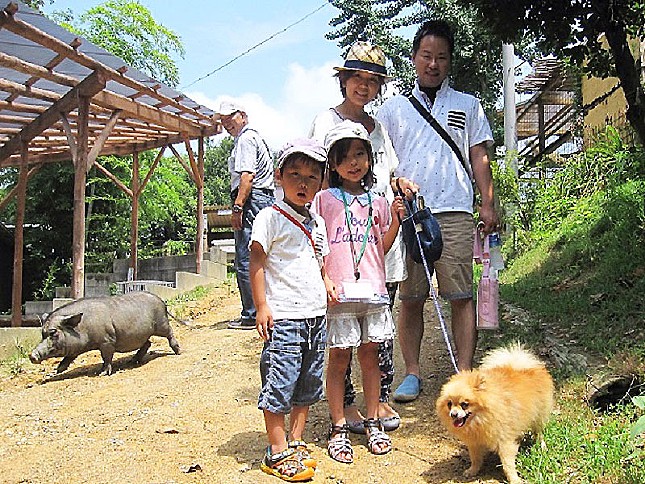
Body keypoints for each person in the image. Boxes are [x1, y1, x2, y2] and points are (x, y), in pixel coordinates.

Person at [377, 20, 498, 402]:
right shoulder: (392, 109)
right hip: (411, 214)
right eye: (426, 56)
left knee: (461, 296)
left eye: (441, 57)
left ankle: (463, 374)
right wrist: (395, 188)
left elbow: (479, 156)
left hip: (457, 211)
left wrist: (488, 202)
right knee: (411, 298)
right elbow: (383, 163)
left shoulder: (468, 104)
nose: (433, 64)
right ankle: (411, 373)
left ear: (449, 62)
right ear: (413, 59)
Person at [309, 41, 417, 433]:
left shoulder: (381, 129)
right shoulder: (325, 122)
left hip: (378, 239)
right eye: (357, 77)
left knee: (377, 328)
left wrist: (399, 182)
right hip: (340, 245)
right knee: (342, 336)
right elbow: (317, 181)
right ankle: (348, 406)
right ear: (344, 80)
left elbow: (387, 174)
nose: (364, 86)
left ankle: (380, 400)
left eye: (373, 81)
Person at [312, 120, 405, 464]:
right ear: (333, 165)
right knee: (338, 357)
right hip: (339, 296)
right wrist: (324, 279)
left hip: (372, 292)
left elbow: (381, 246)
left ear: (369, 159)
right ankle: (338, 426)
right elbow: (316, 244)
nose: (354, 162)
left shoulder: (377, 200)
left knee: (371, 358)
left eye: (360, 154)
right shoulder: (322, 200)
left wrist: (395, 219)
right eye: (345, 156)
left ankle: (373, 421)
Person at [250, 138, 331, 481]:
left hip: (315, 315)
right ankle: (276, 450)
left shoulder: (319, 222)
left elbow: (320, 261)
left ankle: (295, 442)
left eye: (311, 177)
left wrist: (327, 282)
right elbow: (255, 260)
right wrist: (261, 305)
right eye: (295, 174)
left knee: (309, 382)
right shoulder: (269, 217)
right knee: (280, 382)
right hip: (284, 317)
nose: (303, 183)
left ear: (321, 182)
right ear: (279, 176)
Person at [215, 100, 275, 330]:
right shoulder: (254, 138)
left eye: (231, 117)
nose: (227, 123)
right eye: (223, 120)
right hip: (261, 199)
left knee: (246, 256)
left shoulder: (246, 139)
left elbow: (247, 176)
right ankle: (262, 308)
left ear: (243, 115)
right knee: (262, 254)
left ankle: (251, 313)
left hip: (252, 200)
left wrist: (238, 206)